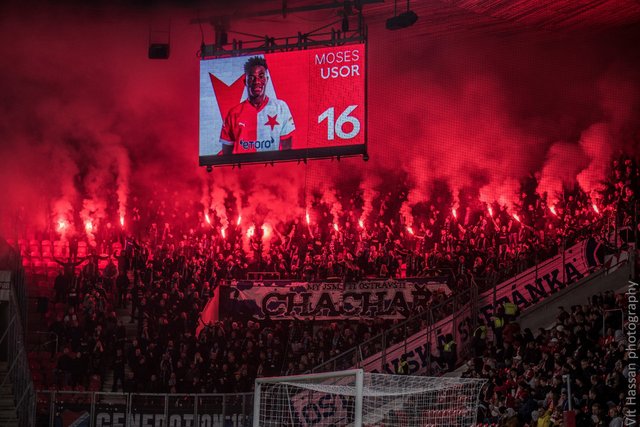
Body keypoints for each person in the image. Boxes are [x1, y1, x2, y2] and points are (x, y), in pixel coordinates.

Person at [219, 56, 295, 155]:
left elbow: (287, 151)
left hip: (273, 169)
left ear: (266, 79)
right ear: (245, 81)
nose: (257, 81)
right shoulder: (233, 113)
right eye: (251, 77)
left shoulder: (281, 107)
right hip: (243, 170)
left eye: (261, 76)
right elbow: (226, 155)